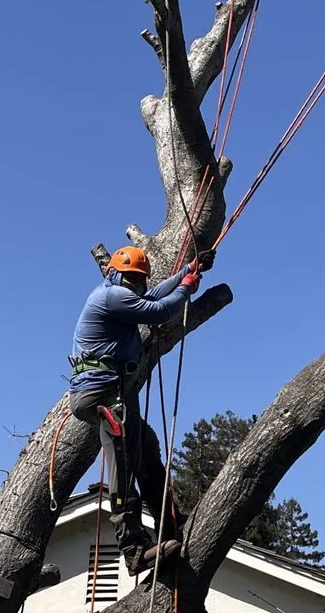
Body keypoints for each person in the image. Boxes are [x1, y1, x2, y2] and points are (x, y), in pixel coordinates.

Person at [68, 245, 215, 575]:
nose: (136, 284)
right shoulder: (109, 297)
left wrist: (190, 269)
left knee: (146, 448)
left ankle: (169, 524)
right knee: (121, 465)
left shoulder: (122, 296)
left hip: (112, 392)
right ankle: (133, 548)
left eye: (139, 279)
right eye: (132, 277)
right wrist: (188, 285)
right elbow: (160, 310)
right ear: (115, 274)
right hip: (103, 394)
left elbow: (154, 297)